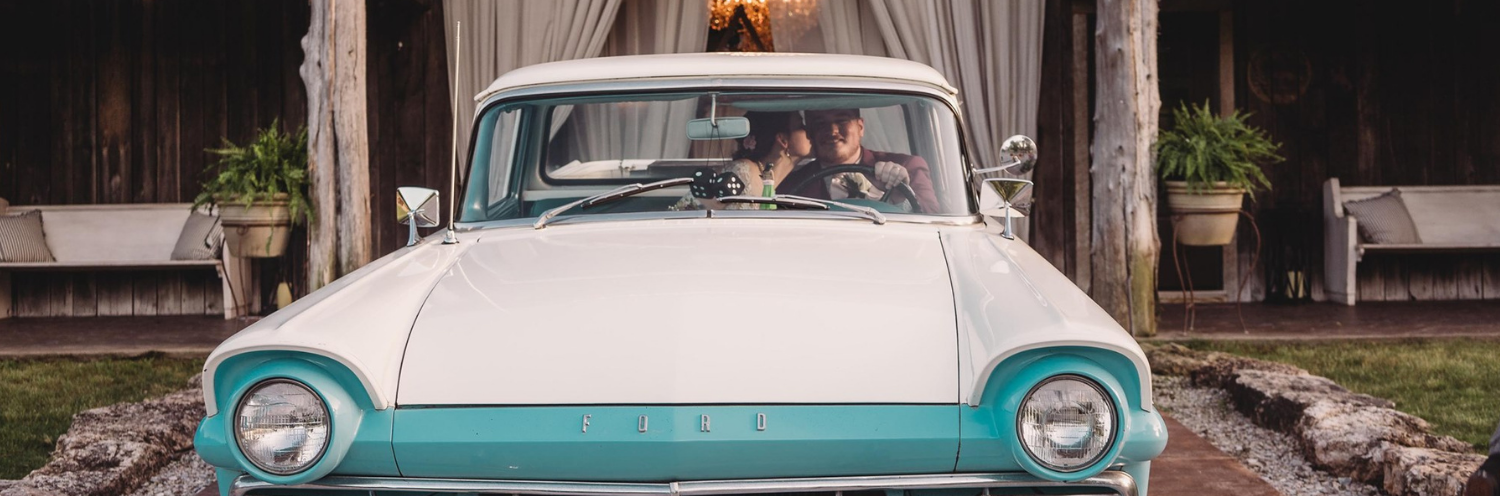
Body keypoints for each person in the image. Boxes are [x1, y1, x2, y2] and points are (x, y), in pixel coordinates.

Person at [780, 107, 940, 213]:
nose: (832, 131)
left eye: (841, 120)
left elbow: (935, 220)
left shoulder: (908, 166)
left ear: (860, 127)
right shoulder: (792, 184)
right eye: (820, 123)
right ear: (809, 133)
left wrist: (900, 197)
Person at [673, 111, 811, 210]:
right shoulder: (742, 172)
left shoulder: (775, 178)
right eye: (801, 126)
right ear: (783, 140)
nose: (809, 131)